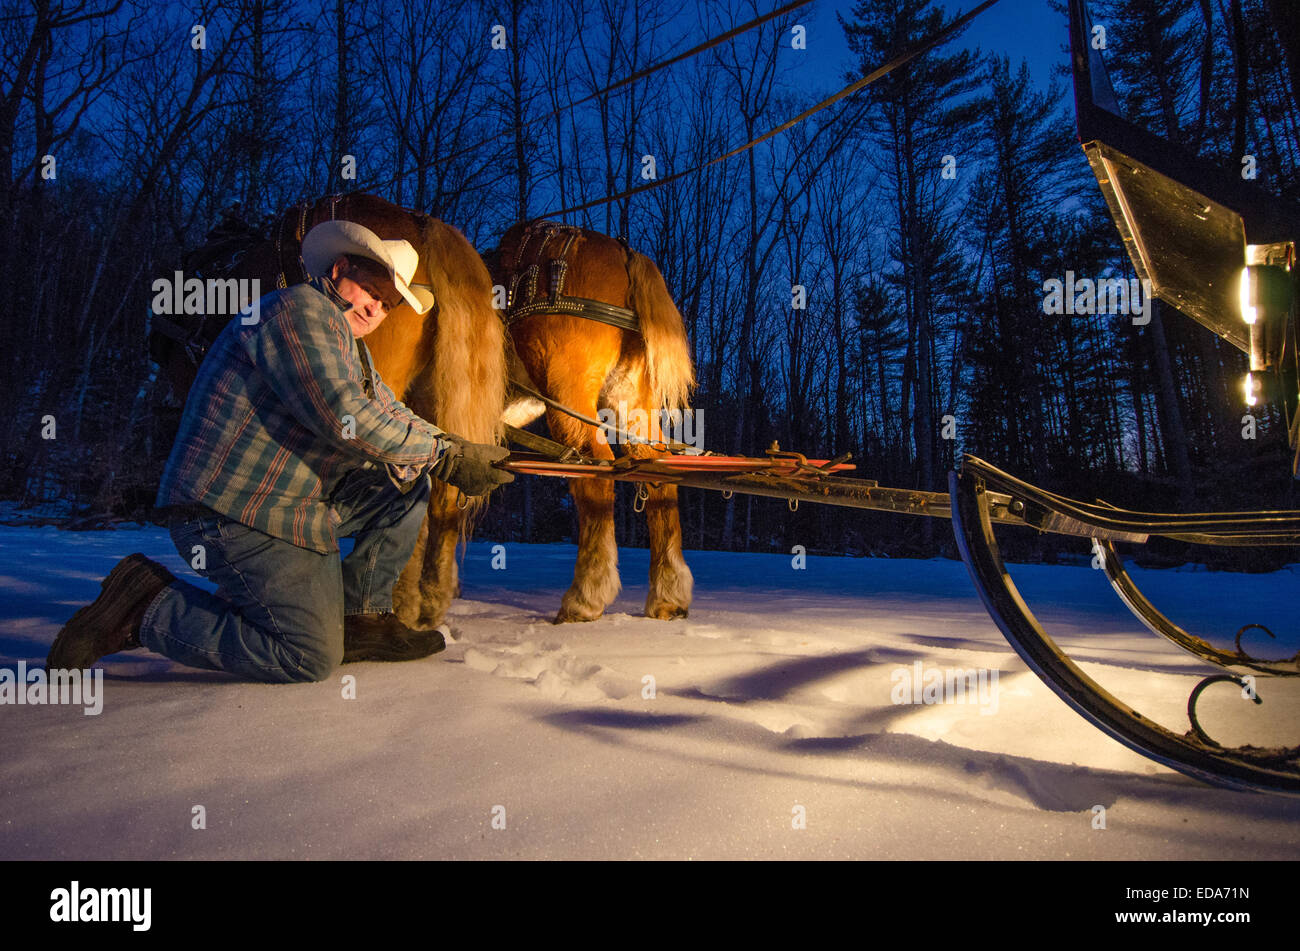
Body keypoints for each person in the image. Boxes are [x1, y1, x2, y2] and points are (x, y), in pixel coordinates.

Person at [46, 220, 513, 683]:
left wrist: (453, 446)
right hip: (229, 513)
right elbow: (342, 413)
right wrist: (442, 453)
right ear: (340, 268)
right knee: (307, 656)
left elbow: (387, 411)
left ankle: (362, 619)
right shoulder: (298, 313)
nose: (375, 310)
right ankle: (145, 606)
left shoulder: (349, 345)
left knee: (403, 487)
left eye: (388, 305)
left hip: (284, 504)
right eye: (372, 290)